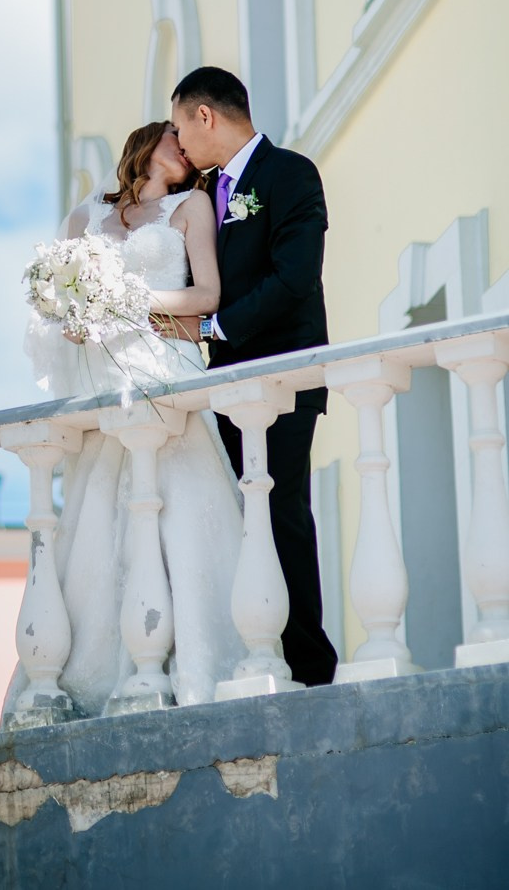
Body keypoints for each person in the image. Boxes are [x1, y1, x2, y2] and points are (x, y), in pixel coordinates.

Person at [20, 120, 246, 714]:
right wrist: (74, 317)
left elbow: (206, 297)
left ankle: (191, 665)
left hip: (164, 373)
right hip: (104, 382)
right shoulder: (85, 217)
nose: (186, 147)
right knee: (99, 521)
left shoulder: (191, 206)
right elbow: (60, 312)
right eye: (175, 135)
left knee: (180, 511)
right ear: (147, 143)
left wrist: (125, 301)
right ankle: (97, 672)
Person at [170, 65, 338, 687]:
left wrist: (215, 329)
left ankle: (309, 667)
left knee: (282, 512)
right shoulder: (199, 193)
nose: (177, 142)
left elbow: (295, 278)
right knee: (235, 518)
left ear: (205, 115)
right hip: (218, 388)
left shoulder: (290, 173)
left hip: (282, 377)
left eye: (180, 127)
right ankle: (254, 653)